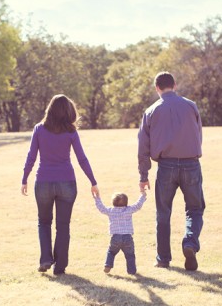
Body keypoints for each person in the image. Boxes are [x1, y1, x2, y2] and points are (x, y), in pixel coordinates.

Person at [21, 94, 99, 275]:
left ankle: (46, 259)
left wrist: (25, 178)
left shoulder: (39, 129)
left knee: (44, 222)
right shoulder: (71, 132)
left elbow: (31, 156)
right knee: (63, 225)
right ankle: (60, 266)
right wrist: (93, 181)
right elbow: (82, 158)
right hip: (67, 183)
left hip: (43, 183)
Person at [137, 72, 205, 271]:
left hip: (165, 166)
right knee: (195, 209)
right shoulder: (191, 105)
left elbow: (143, 146)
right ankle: (190, 243)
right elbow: (198, 134)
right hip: (191, 163)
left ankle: (163, 259)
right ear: (175, 85)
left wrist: (143, 175)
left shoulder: (151, 111)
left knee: (163, 213)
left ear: (157, 88)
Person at [93, 190, 146, 275]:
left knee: (111, 252)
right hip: (127, 237)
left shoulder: (110, 210)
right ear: (126, 203)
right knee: (130, 255)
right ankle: (131, 271)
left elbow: (101, 208)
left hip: (115, 237)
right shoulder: (129, 209)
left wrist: (97, 198)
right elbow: (138, 205)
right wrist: (143, 195)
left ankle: (108, 265)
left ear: (113, 203)